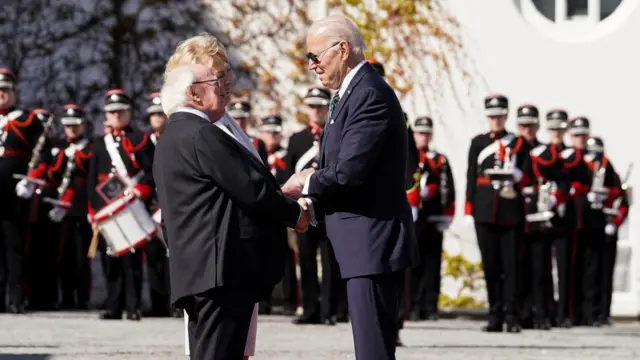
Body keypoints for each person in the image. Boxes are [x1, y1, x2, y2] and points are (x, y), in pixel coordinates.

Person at [153, 33, 310, 360]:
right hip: (220, 273)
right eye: (216, 78)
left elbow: (228, 193)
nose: (225, 85)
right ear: (193, 92)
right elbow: (252, 189)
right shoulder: (202, 134)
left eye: (226, 76)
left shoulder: (175, 135)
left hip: (203, 272)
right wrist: (295, 214)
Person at [283, 15, 418, 360]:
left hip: (370, 242)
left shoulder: (368, 94)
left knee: (373, 350)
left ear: (342, 50)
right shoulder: (352, 93)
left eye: (315, 57)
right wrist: (312, 204)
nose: (311, 66)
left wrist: (305, 182)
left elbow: (349, 172)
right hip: (360, 242)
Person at [465, 94, 533, 333]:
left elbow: (528, 176)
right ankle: (495, 315)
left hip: (510, 212)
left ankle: (512, 317)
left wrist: (516, 176)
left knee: (512, 267)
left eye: (500, 116)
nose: (496, 120)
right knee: (491, 266)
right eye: (492, 116)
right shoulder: (478, 143)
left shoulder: (519, 144)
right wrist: (469, 208)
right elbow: (471, 176)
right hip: (484, 211)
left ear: (505, 116)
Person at [87, 89, 155, 321]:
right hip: (107, 210)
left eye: (120, 112)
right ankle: (114, 305)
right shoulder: (99, 144)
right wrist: (92, 211)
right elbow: (92, 179)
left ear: (129, 113)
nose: (116, 116)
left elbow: (151, 172)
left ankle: (133, 306)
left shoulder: (141, 140)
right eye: (112, 112)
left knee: (132, 259)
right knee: (110, 258)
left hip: (131, 205)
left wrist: (141, 191)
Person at [20, 104, 93, 310]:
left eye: (75, 125)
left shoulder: (90, 147)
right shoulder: (58, 147)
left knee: (81, 258)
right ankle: (66, 297)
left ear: (83, 126)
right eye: (68, 126)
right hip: (58, 208)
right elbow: (51, 172)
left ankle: (82, 299)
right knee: (63, 256)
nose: (71, 129)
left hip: (80, 207)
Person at [286, 86, 344, 325]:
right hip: (304, 208)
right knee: (306, 260)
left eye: (320, 106)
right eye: (312, 107)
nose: (316, 111)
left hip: (329, 207)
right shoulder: (297, 140)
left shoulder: (336, 135)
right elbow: (287, 174)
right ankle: (310, 308)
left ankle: (331, 309)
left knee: (331, 261)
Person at [563, 117, 620, 326]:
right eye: (576, 134)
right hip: (573, 221)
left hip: (593, 221)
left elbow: (617, 190)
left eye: (583, 134)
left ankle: (591, 313)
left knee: (593, 269)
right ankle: (571, 312)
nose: (580, 138)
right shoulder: (569, 158)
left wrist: (605, 193)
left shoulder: (602, 162)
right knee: (571, 268)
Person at [0, 68, 45, 314]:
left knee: (15, 248)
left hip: (14, 193)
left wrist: (32, 179)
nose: (2, 95)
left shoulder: (27, 119)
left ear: (15, 93)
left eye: (6, 90)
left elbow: (43, 154)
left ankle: (16, 299)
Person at [408, 116, 455, 322]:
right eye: (420, 133)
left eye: (427, 133)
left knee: (432, 264)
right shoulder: (408, 158)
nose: (423, 137)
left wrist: (447, 213)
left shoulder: (439, 159)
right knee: (412, 264)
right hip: (413, 217)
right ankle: (412, 305)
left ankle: (430, 305)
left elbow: (449, 188)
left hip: (433, 216)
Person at [259, 114, 298, 316]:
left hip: (282, 210)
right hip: (261, 212)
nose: (272, 136)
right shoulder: (254, 152)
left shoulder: (285, 155)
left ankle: (288, 299)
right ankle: (263, 301)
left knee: (287, 256)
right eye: (268, 132)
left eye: (275, 132)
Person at [143, 91, 174, 317]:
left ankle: (176, 303)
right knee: (153, 257)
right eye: (153, 114)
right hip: (150, 206)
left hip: (172, 204)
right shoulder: (143, 142)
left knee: (175, 256)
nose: (156, 118)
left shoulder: (175, 138)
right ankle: (157, 304)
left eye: (160, 113)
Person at [227, 99, 269, 165]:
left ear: (248, 118)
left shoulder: (258, 143)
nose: (239, 122)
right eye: (236, 118)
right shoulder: (223, 139)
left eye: (243, 118)